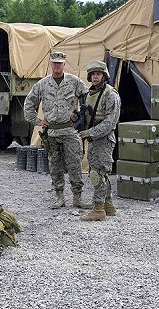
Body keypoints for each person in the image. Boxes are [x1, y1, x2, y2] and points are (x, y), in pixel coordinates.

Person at [24, 51, 90, 209]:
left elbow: (87, 96)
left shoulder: (73, 82)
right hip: (51, 132)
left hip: (69, 131)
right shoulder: (42, 84)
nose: (57, 66)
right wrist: (38, 121)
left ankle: (77, 197)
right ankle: (59, 197)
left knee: (75, 164)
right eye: (54, 63)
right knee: (55, 166)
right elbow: (29, 104)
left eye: (59, 63)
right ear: (51, 64)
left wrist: (81, 114)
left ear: (64, 64)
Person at [78, 61, 121, 221]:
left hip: (103, 139)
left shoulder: (110, 94)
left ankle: (98, 209)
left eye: (99, 74)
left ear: (104, 75)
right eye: (93, 74)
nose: (95, 77)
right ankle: (108, 204)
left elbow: (110, 122)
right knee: (99, 172)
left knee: (97, 173)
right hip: (94, 138)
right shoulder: (90, 95)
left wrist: (90, 132)